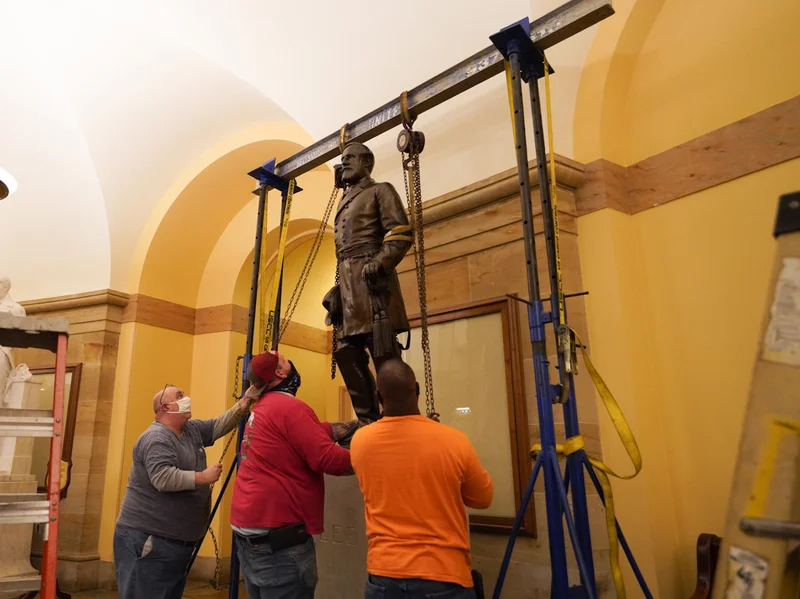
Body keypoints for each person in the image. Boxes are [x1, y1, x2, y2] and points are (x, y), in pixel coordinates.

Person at [351, 359, 494, 599]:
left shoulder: (361, 442)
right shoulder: (454, 441)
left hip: (384, 576)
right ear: (417, 390)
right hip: (443, 575)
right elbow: (482, 499)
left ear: (378, 397)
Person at [231, 350, 355, 598]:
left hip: (251, 538)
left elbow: (310, 432)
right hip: (279, 546)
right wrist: (378, 453)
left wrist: (354, 426)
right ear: (279, 373)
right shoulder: (291, 407)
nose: (291, 362)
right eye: (286, 360)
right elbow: (328, 459)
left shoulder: (264, 407)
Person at [114, 384, 253, 599]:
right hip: (149, 541)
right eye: (179, 396)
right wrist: (202, 477)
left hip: (175, 545)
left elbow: (218, 426)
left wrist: (244, 403)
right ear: (165, 407)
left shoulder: (191, 430)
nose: (186, 398)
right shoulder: (156, 438)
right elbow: (163, 478)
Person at [323, 142, 414, 425]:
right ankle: (367, 420)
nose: (344, 162)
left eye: (350, 158)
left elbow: (400, 231)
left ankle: (398, 416)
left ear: (367, 162)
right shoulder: (345, 198)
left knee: (383, 350)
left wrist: (382, 260)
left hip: (372, 282)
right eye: (343, 158)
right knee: (345, 351)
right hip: (349, 285)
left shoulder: (380, 190)